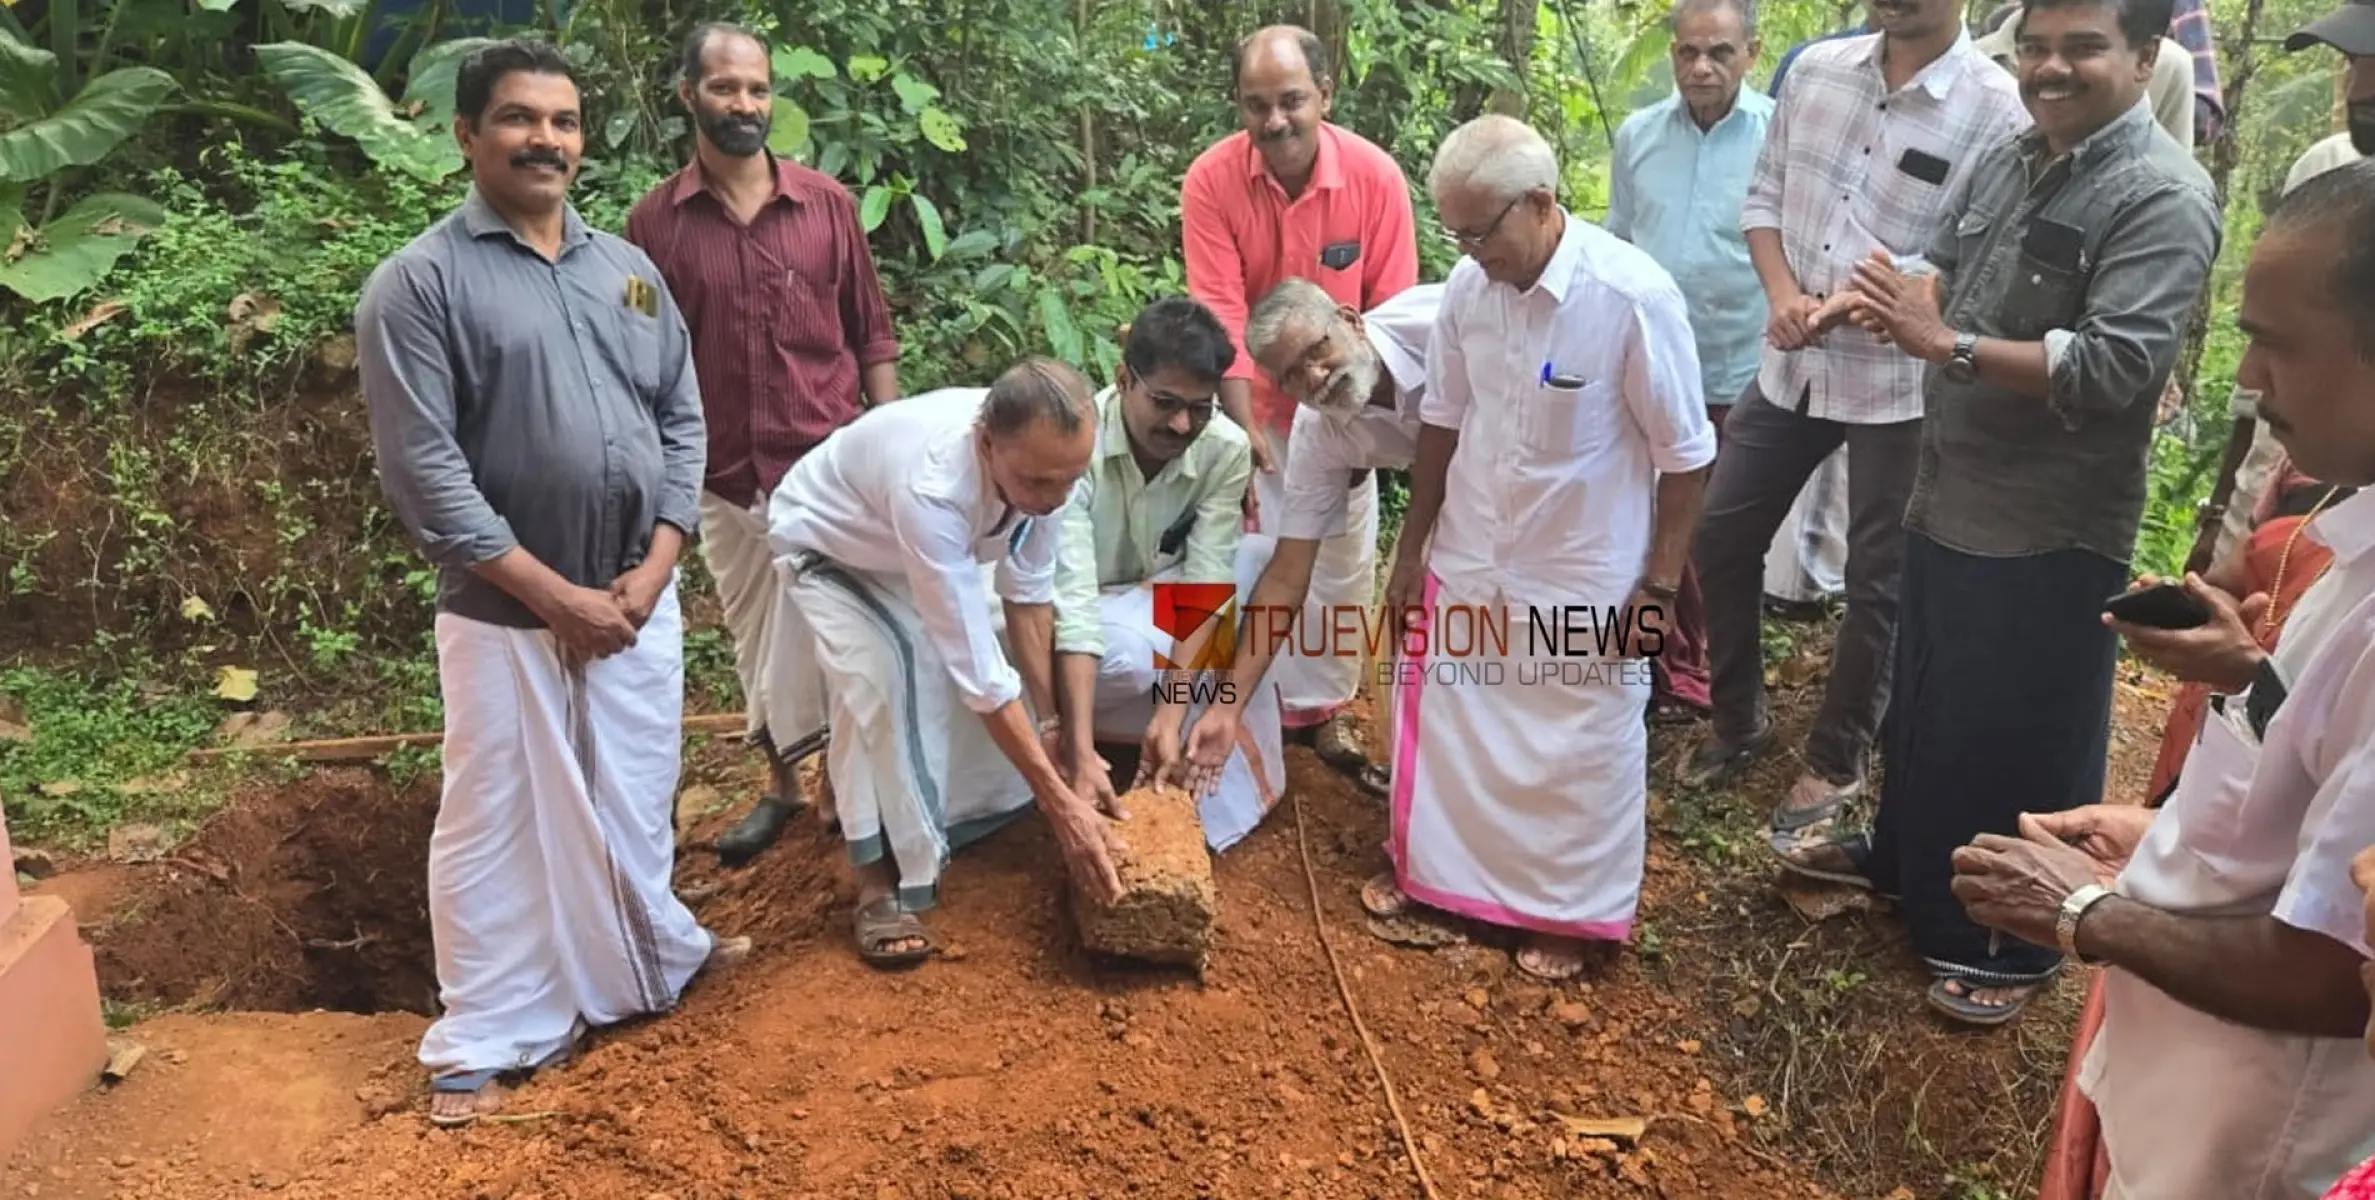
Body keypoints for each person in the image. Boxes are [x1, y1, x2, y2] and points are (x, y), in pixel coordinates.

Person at [1778, 0, 2223, 1025]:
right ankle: (1904, 862)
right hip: (1950, 488)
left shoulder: (2161, 193)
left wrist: (1946, 349)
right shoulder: (2017, 155)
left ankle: (2007, 941)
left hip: (2047, 525)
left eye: (2079, 47)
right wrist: (1863, 305)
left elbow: (2114, 367)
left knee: (2015, 732)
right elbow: (1935, 265)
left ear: (2142, 56)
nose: (2047, 68)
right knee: (1930, 702)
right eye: (2032, 47)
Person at [1949, 157, 2375, 1199]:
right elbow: (2320, 785)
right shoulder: (2347, 538)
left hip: (2246, 1133)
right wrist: (2169, 840)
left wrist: (2085, 914)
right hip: (2187, 1094)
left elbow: (2329, 972)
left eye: (2274, 347)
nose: (2250, 384)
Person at [354, 38, 747, 1127]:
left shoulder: (623, 268)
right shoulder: (419, 286)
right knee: (497, 816)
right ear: (466, 135)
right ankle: (491, 1029)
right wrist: (552, 596)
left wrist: (655, 564)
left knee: (631, 792)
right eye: (521, 119)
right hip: (505, 616)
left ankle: (640, 973)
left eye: (564, 122)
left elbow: (680, 414)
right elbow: (425, 473)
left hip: (635, 602)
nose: (547, 140)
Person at [1366, 116, 1716, 982]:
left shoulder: (1631, 298)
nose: (1469, 248)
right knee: (1455, 723)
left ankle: (1567, 915)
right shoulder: (1465, 291)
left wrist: (1658, 588)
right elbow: (1442, 421)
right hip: (1474, 550)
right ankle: (1439, 882)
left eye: (1481, 231)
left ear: (1540, 203)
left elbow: (1685, 457)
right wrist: (1411, 551)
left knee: (1581, 741)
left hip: (1584, 572)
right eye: (1454, 231)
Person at [1685, 0, 2028, 835]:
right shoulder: (1814, 72)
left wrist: (1840, 304)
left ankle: (1834, 761)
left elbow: (1970, 261)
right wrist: (1784, 298)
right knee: (1720, 537)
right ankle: (1737, 718)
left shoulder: (1998, 110)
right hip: (1792, 365)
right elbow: (1762, 198)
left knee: (1879, 582)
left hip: (1899, 386)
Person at [624, 23, 902, 867]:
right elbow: (641, 354)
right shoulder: (651, 226)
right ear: (688, 96)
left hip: (825, 464)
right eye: (724, 89)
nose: (744, 104)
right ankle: (783, 784)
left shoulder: (827, 208)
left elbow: (872, 336)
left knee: (839, 630)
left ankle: (840, 790)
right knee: (755, 633)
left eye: (756, 89)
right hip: (718, 471)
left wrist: (881, 445)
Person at [762, 359, 1126, 970]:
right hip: (835, 544)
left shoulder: (1048, 465)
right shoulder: (935, 485)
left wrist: (1057, 729)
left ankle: (945, 815)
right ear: (986, 444)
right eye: (1039, 483)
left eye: (1069, 482)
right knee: (881, 679)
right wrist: (1060, 804)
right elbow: (978, 674)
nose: (1054, 499)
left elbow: (1030, 595)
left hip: (920, 551)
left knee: (995, 649)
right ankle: (875, 878)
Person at [1180, 24, 1419, 776]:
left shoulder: (1375, 178)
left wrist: (1365, 433)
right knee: (1224, 548)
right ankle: (1211, 696)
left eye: (1290, 100)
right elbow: (1218, 311)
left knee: (1340, 560)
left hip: (1344, 403)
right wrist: (1244, 434)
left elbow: (1391, 307)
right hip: (1243, 399)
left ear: (1325, 93)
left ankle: (1321, 712)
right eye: (1257, 105)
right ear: (1239, 107)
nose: (1274, 119)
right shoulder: (1210, 180)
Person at [1165, 278, 1444, 798]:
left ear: (1350, 320)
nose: (1316, 375)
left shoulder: (1442, 323)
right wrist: (1228, 706)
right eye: (1292, 374)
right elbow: (1287, 576)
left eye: (1319, 348)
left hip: (1538, 472)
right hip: (1457, 503)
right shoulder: (1320, 434)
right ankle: (1427, 810)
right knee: (1418, 643)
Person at [1046, 297, 1282, 852]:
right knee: (1125, 657)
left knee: (1261, 561)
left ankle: (1176, 731)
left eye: (1199, 408)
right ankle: (1093, 738)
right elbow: (1074, 599)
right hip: (1075, 611)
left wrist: (1172, 714)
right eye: (1165, 402)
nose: (1181, 425)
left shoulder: (1222, 448)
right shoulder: (1074, 443)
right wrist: (1077, 753)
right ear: (1122, 378)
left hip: (1156, 595)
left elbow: (1207, 582)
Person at [1605, 0, 1770, 719]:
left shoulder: (1779, 137)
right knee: (1642, 524)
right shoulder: (1639, 137)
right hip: (1646, 371)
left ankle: (1703, 672)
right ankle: (1653, 668)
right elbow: (1615, 241)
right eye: (1687, 52)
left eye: (1719, 53)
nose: (1701, 67)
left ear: (1751, 54)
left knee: (1709, 531)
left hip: (1740, 366)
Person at [1973, 3, 2195, 148]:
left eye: (2084, 48)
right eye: (2034, 49)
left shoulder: (2168, 65)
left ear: (2146, 59)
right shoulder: (1977, 58)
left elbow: (2175, 167)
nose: (2051, 68)